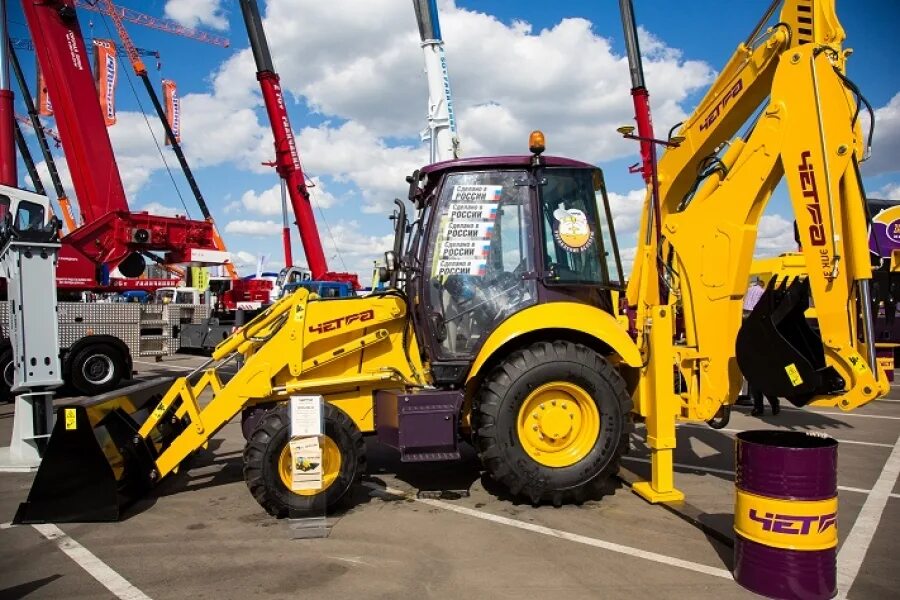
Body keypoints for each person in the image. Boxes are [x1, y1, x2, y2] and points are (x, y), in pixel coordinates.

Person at [742, 278, 780, 416]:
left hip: (755, 355)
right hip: (760, 356)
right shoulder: (761, 294)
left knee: (756, 383)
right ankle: (772, 404)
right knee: (761, 383)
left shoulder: (749, 290)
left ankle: (760, 407)